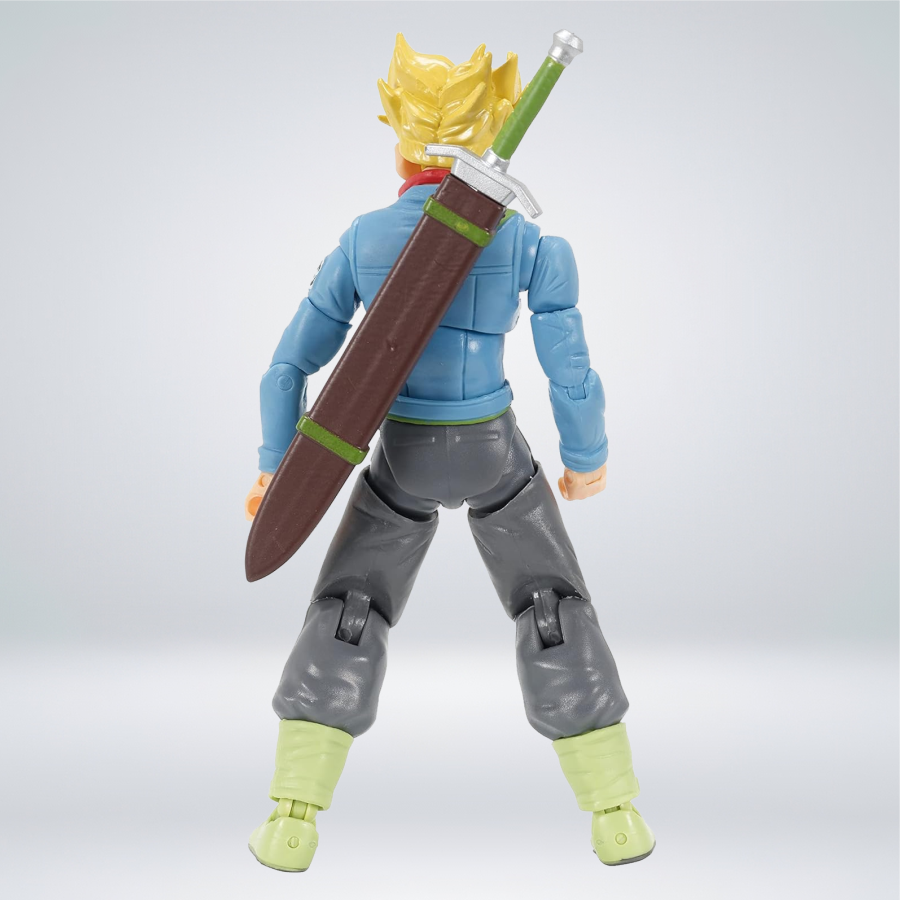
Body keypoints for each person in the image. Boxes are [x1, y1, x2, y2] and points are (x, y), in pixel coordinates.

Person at [244, 34, 655, 873]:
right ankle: (617, 815)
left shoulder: (363, 239)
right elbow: (570, 369)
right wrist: (587, 455)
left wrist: (277, 466)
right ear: (491, 128)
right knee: (551, 603)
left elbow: (288, 367)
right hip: (494, 453)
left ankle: (292, 818)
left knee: (351, 607)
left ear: (399, 135)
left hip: (400, 455)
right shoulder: (530, 244)